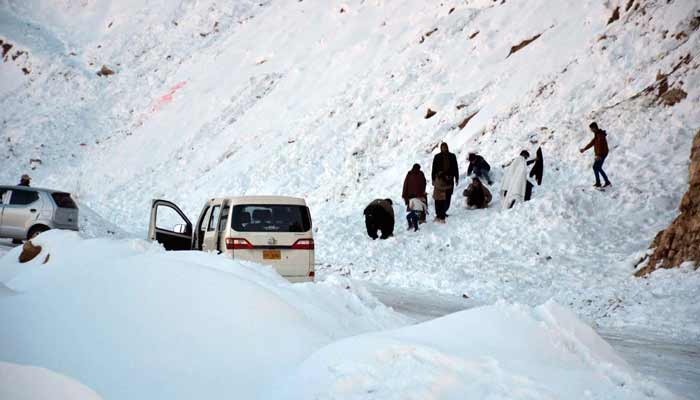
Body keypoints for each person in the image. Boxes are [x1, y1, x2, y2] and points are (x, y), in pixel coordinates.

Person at [580, 122, 611, 188]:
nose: (591, 130)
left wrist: (599, 155)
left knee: (597, 167)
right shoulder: (597, 134)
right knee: (596, 167)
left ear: (594, 128)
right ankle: (600, 182)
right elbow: (592, 143)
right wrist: (584, 149)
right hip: (600, 154)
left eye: (591, 129)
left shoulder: (600, 135)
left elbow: (600, 146)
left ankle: (605, 182)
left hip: (602, 154)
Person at [431, 143, 459, 215]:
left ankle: (443, 211)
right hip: (440, 179)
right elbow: (434, 168)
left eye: (445, 147)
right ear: (441, 148)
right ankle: (440, 212)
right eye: (443, 147)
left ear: (447, 147)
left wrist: (457, 177)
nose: (444, 148)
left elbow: (455, 167)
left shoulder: (452, 156)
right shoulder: (437, 157)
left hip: (449, 179)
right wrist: (433, 178)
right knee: (439, 197)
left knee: (448, 196)